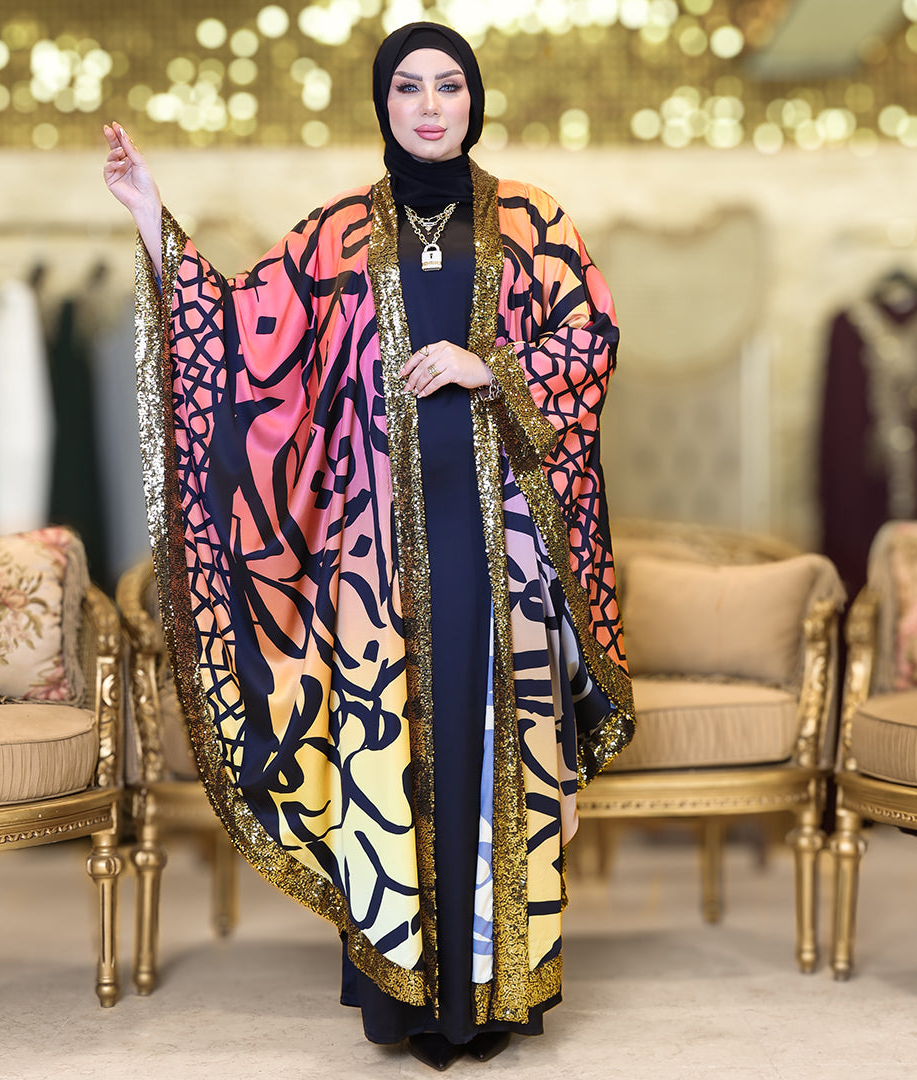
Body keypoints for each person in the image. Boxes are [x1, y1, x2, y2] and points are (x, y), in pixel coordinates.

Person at [103, 21, 634, 1071]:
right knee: (395, 746)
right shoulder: (337, 233)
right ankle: (407, 1001)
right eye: (408, 88)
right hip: (371, 554)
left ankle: (495, 993)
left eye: (450, 85)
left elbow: (593, 342)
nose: (431, 106)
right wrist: (152, 216)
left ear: (474, 100)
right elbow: (239, 338)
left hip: (501, 543)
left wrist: (490, 367)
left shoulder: (533, 221)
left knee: (489, 740)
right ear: (383, 104)